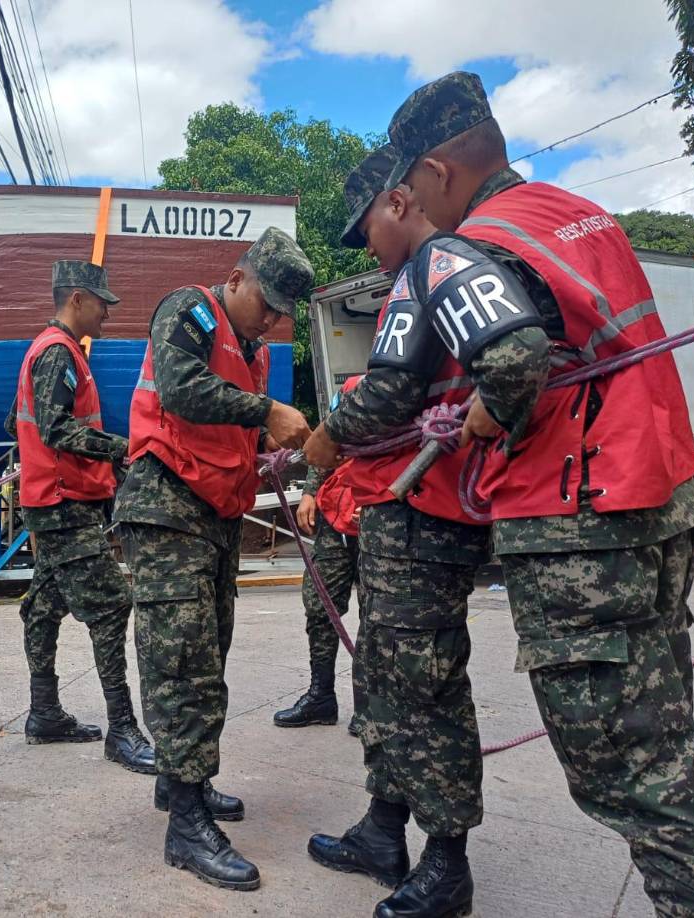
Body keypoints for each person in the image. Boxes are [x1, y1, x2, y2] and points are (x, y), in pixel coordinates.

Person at [380, 72, 694, 917]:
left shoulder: (464, 244)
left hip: (579, 521)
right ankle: (693, 828)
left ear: (436, 171)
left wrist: (488, 413)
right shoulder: (580, 216)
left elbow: (512, 361)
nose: (416, 207)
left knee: (614, 759)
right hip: (659, 500)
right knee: (657, 722)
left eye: (413, 186)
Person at [304, 145, 491, 918]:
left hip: (426, 515)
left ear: (398, 203)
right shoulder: (425, 273)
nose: (367, 250)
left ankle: (446, 864)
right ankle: (383, 830)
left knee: (426, 690)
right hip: (403, 511)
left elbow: (386, 393)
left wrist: (327, 434)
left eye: (366, 230)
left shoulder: (429, 269)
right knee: (384, 675)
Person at [115, 226, 313, 891]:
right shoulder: (191, 310)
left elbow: (220, 429)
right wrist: (267, 413)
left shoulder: (250, 353)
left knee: (209, 654)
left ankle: (183, 785)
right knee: (182, 664)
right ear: (237, 280)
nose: (274, 318)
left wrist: (262, 451)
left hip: (213, 517)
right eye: (269, 302)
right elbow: (180, 391)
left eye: (284, 311)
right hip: (167, 507)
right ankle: (187, 824)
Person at [5, 260, 154, 774]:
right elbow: (53, 428)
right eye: (101, 303)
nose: (106, 313)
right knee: (112, 605)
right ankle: (123, 729)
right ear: (76, 300)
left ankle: (44, 713)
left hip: (53, 499)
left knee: (42, 608)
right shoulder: (58, 353)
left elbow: (16, 421)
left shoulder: (47, 351)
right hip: (64, 504)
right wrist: (119, 448)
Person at [275, 376, 366, 734]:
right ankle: (321, 696)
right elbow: (325, 439)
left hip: (377, 520)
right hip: (335, 520)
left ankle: (370, 705)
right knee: (320, 605)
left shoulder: (402, 394)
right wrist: (311, 491)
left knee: (378, 617)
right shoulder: (350, 391)